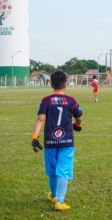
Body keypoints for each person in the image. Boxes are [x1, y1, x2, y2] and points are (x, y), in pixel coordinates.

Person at [30, 71, 83, 211]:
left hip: (50, 141)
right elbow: (78, 116)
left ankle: (53, 195)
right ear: (66, 84)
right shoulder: (71, 101)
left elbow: (40, 119)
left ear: (51, 83)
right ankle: (59, 201)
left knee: (52, 169)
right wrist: (78, 124)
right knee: (63, 170)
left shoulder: (46, 100)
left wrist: (35, 137)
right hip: (67, 142)